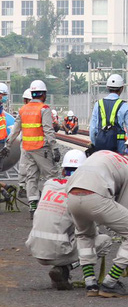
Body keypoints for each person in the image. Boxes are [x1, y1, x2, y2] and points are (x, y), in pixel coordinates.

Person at [66, 132, 128, 298]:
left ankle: (90, 283)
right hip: (95, 196)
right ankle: (110, 283)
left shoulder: (104, 154)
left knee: (84, 234)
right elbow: (123, 212)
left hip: (71, 195)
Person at [25, 150, 112, 290]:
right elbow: (88, 231)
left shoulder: (49, 184)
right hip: (58, 252)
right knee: (104, 241)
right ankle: (65, 269)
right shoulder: (81, 192)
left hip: (36, 249)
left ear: (64, 170)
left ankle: (61, 269)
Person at [19, 79, 60, 212]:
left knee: (31, 176)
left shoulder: (23, 109)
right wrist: (55, 148)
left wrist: (8, 145)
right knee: (51, 175)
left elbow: (15, 130)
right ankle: (53, 203)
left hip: (27, 149)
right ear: (43, 94)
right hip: (42, 149)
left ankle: (32, 204)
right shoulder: (44, 109)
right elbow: (48, 130)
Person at [89, 74, 128, 153]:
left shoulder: (98, 104)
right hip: (119, 145)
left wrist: (95, 143)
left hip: (101, 144)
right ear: (122, 88)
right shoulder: (124, 106)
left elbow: (93, 129)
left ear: (107, 87)